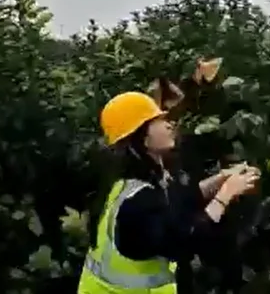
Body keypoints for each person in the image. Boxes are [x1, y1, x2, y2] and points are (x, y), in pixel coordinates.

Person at [78, 90, 260, 294]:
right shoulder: (137, 201)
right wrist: (225, 195)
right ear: (142, 138)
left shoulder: (136, 180)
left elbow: (177, 200)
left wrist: (218, 181)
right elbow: (183, 242)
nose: (169, 124)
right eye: (158, 120)